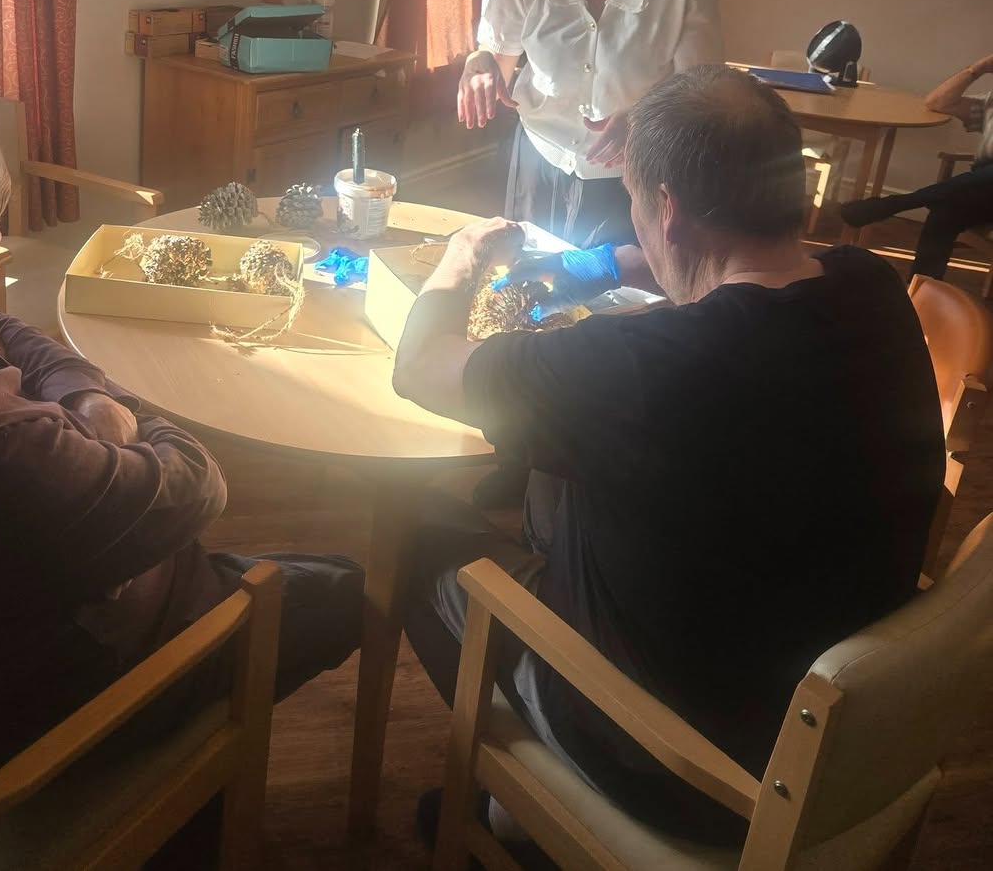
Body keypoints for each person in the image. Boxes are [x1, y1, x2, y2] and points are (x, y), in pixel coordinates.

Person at [395, 65, 945, 852]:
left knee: (422, 537)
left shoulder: (639, 367)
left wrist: (457, 259)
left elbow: (418, 366)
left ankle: (516, 802)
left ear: (667, 209)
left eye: (636, 204)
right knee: (562, 482)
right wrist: (604, 264)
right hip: (842, 739)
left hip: (682, 772)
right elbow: (746, 258)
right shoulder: (872, 288)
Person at [0, 76, 363, 774]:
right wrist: (131, 413)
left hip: (25, 622)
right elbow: (196, 482)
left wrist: (86, 397)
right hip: (94, 685)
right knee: (349, 588)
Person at [457, 0, 722, 507]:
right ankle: (515, 451)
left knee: (605, 308)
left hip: (630, 175)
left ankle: (582, 466)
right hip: (539, 156)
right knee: (524, 293)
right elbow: (494, 46)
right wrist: (480, 65)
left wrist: (642, 115)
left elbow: (700, 87)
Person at [842, 51, 993, 277]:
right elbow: (937, 102)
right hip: (983, 190)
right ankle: (921, 289)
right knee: (945, 210)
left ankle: (899, 203)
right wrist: (977, 69)